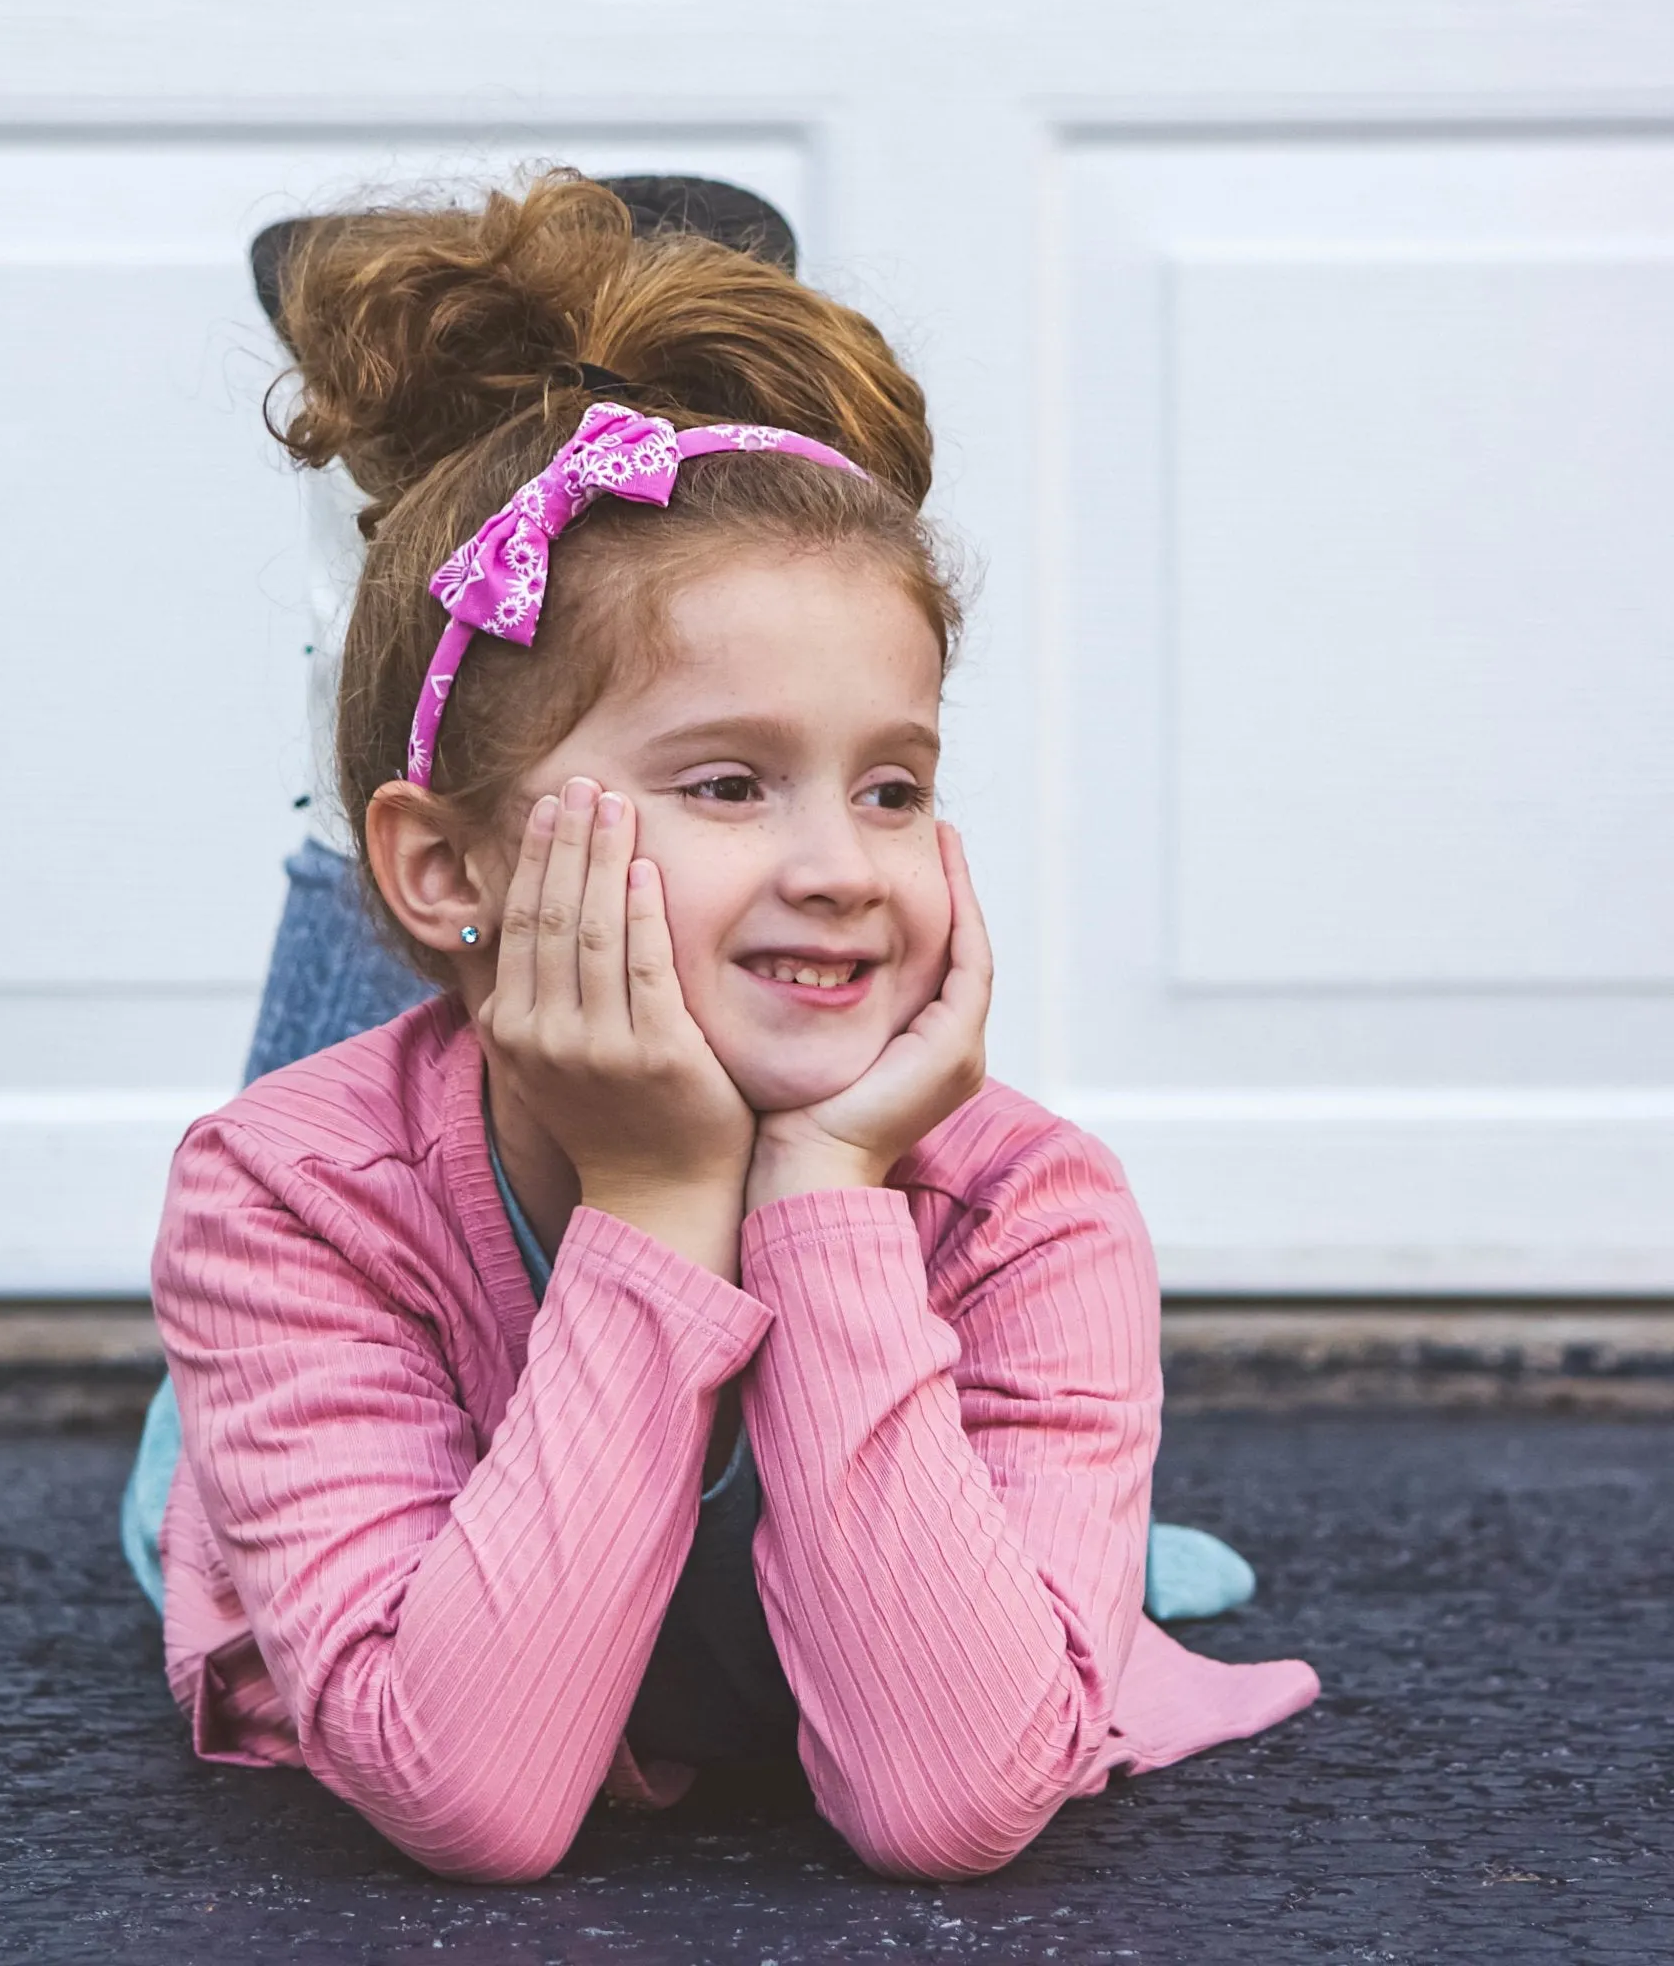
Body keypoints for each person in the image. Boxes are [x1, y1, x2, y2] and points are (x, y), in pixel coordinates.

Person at [144, 173, 1318, 1883]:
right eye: (727, 779)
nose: (847, 869)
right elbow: (472, 1797)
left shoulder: (1034, 1213)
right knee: (173, 1494)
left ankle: (530, 557)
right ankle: (396, 604)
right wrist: (651, 1203)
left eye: (897, 784)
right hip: (408, 1231)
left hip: (540, 1126)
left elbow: (952, 1802)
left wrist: (830, 1191)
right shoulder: (278, 1201)